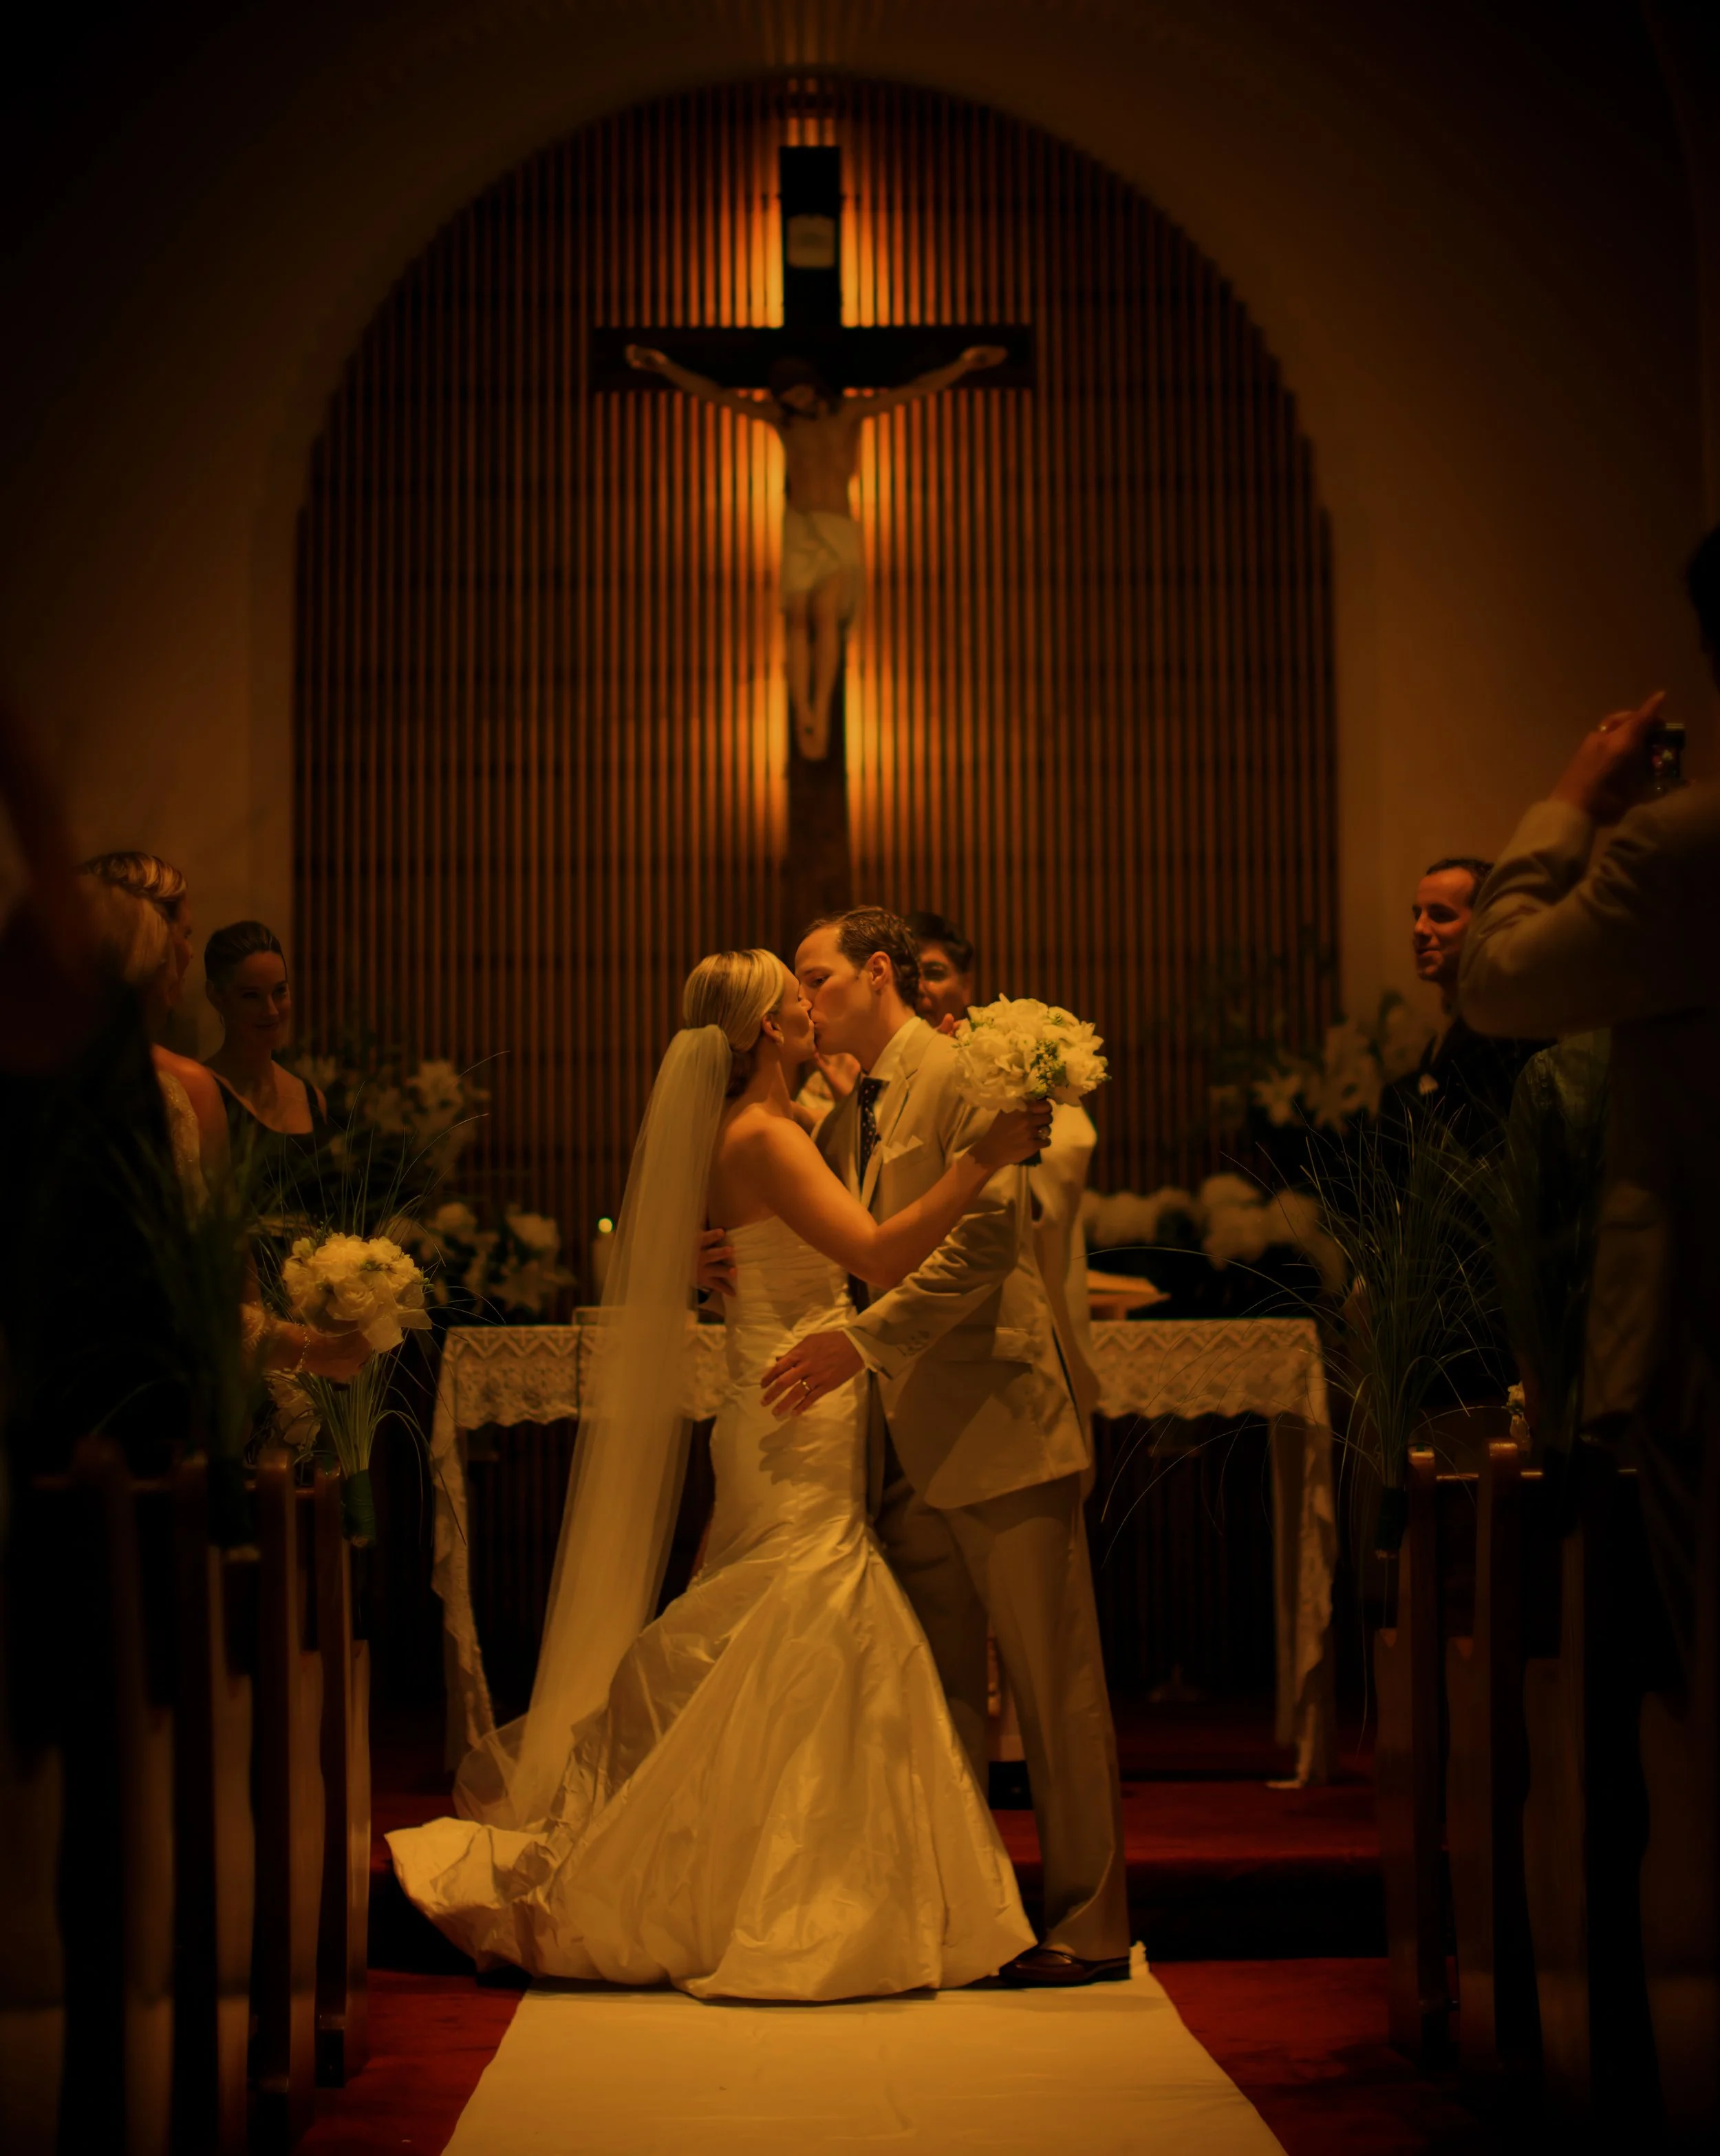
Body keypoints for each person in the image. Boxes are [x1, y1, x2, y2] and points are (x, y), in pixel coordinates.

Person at [387, 950, 1047, 1998]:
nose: (809, 1002)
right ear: (762, 1034)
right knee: (810, 1601)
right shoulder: (764, 1137)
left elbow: (763, 1235)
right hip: (800, 1402)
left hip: (772, 1394)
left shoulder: (744, 1132)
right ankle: (799, 1880)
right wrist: (984, 1159)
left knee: (775, 1607)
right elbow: (875, 1257)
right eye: (795, 998)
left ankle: (766, 1860)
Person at [761, 907, 1130, 1985]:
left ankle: (1087, 1926)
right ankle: (966, 1907)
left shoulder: (964, 1071)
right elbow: (830, 1229)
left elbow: (984, 1241)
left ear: (879, 973)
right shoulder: (852, 1104)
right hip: (907, 1437)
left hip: (1001, 1417)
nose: (805, 997)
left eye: (817, 977)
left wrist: (861, 1346)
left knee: (1053, 1684)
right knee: (938, 1691)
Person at [625, 343, 1006, 759]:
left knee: (826, 617)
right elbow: (716, 395)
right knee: (796, 622)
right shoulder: (783, 422)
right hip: (799, 526)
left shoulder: (850, 412)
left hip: (836, 525)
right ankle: (801, 707)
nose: (795, 399)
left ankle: (821, 708)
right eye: (787, 395)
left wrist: (964, 364)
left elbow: (915, 390)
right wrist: (664, 367)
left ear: (813, 386)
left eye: (799, 391)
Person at [80, 850, 228, 1186]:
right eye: (186, 935)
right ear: (157, 942)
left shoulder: (38, 1079)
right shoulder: (189, 1087)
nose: (190, 952)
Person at [1393, 855, 1542, 1151]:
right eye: (1417, 915)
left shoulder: (1506, 1032)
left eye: (1440, 915)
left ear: (1488, 926)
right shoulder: (1459, 1024)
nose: (1419, 929)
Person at [202, 920, 332, 1206]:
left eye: (280, 992)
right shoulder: (202, 1094)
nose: (271, 1010)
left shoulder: (312, 1099)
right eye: (252, 996)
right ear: (217, 997)